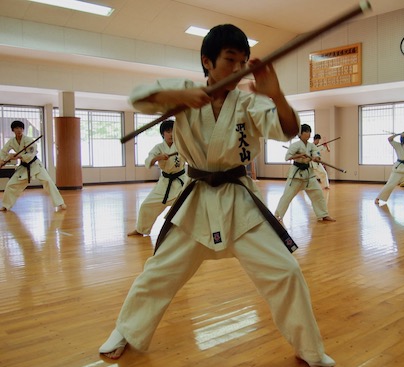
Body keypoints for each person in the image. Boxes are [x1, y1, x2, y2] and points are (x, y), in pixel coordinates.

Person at [99, 24, 335, 367]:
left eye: (242, 62)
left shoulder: (249, 102)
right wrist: (176, 98)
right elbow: (139, 98)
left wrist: (277, 95)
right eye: (229, 61)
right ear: (208, 62)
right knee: (158, 272)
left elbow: (285, 130)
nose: (237, 70)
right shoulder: (185, 94)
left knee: (285, 272)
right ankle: (126, 330)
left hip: (240, 200)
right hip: (196, 200)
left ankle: (310, 350)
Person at [127, 119, 187, 236]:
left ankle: (187, 233)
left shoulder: (182, 146)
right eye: (168, 131)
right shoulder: (158, 147)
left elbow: (193, 156)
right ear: (163, 133)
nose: (171, 134)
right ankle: (141, 229)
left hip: (181, 183)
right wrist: (157, 158)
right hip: (165, 183)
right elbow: (148, 161)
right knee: (147, 205)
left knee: (188, 206)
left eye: (173, 131)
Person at [274, 124, 335, 222]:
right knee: (287, 195)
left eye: (309, 131)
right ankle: (277, 216)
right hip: (296, 175)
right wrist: (299, 155)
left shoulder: (311, 146)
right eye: (306, 131)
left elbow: (316, 154)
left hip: (309, 174)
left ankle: (323, 214)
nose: (308, 134)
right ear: (300, 134)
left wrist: (316, 158)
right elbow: (287, 157)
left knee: (318, 193)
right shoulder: (295, 145)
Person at [0, 120, 66, 212]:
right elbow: (3, 152)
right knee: (10, 184)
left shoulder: (28, 140)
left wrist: (17, 156)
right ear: (13, 130)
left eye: (20, 128)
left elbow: (31, 154)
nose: (19, 130)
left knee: (48, 181)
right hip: (23, 167)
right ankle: (6, 205)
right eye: (16, 128)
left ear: (23, 129)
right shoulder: (11, 141)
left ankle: (60, 203)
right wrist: (2, 161)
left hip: (35, 165)